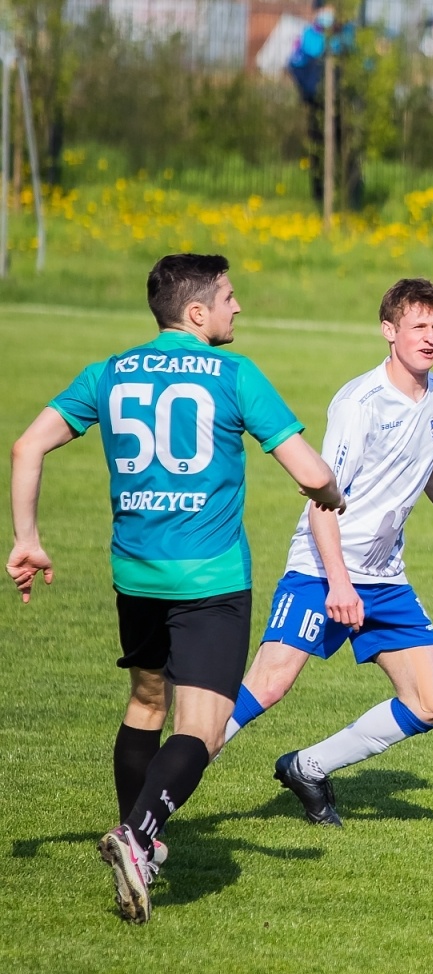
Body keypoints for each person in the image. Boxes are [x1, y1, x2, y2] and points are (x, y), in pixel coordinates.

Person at [6, 254, 344, 924]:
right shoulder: (235, 374)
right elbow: (310, 473)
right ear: (196, 312)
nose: (237, 307)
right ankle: (137, 838)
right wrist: (331, 493)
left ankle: (136, 837)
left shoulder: (108, 373)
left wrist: (27, 538)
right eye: (228, 297)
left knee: (145, 699)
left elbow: (26, 447)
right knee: (203, 726)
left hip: (135, 575)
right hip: (210, 578)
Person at [223, 279, 433, 826]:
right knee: (267, 685)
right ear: (389, 331)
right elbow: (321, 499)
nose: (430, 337)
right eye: (418, 326)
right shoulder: (359, 403)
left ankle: (307, 768)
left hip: (385, 576)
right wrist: (339, 583)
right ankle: (159, 795)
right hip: (323, 568)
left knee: (432, 703)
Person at [288, 1, 361, 209]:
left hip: (345, 105)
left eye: (331, 8)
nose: (328, 13)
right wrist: (309, 91)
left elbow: (361, 65)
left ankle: (352, 197)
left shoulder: (348, 35)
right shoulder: (309, 36)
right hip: (317, 104)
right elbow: (295, 63)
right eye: (324, 9)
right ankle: (320, 198)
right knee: (318, 149)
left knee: (348, 150)